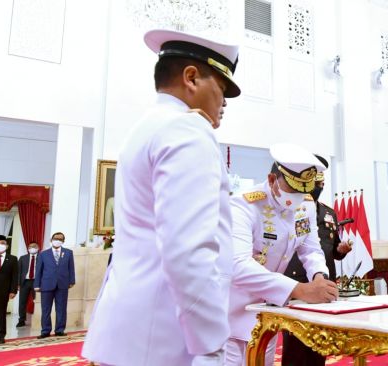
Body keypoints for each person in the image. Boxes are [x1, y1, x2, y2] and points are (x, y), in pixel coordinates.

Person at [82, 28, 240, 366]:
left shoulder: (147, 126)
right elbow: (187, 249)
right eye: (222, 89)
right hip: (168, 342)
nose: (224, 103)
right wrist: (210, 345)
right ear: (192, 78)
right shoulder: (187, 131)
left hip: (132, 335)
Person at [225, 143, 339, 366]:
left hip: (268, 315)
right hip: (231, 314)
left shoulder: (305, 206)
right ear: (271, 180)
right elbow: (238, 265)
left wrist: (319, 277)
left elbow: (311, 249)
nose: (298, 197)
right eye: (292, 189)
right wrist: (299, 289)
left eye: (303, 191)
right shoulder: (243, 206)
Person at [282, 154, 352, 366]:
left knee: (320, 341)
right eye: (315, 182)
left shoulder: (329, 213)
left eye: (322, 182)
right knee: (296, 340)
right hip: (298, 280)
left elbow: (331, 247)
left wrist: (342, 250)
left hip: (323, 280)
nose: (318, 186)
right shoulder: (293, 208)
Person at [34, 232, 75, 338]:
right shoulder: (43, 253)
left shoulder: (68, 253)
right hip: (46, 284)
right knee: (46, 309)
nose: (58, 240)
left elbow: (71, 268)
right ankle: (45, 330)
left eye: (60, 239)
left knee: (61, 308)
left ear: (63, 241)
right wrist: (36, 284)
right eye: (56, 238)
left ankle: (60, 329)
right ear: (51, 240)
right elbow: (38, 270)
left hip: (62, 284)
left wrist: (72, 281)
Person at [16, 241, 40, 327]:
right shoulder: (23, 258)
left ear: (38, 248)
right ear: (28, 248)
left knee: (38, 301)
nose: (32, 248)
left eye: (34, 246)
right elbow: (18, 271)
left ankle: (39, 318)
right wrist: (18, 284)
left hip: (36, 282)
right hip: (24, 282)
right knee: (22, 302)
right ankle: (21, 320)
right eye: (30, 246)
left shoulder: (42, 257)